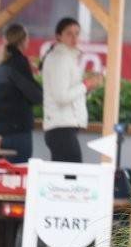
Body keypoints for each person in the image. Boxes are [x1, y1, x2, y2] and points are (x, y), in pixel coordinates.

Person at [41, 17, 101, 163]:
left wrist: (87, 87)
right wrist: (86, 84)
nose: (74, 38)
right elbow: (61, 97)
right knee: (71, 173)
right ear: (58, 36)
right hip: (61, 127)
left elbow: (68, 94)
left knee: (66, 174)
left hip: (62, 126)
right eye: (69, 33)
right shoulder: (60, 59)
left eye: (77, 33)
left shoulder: (65, 58)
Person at [0, 24, 43, 161]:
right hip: (18, 133)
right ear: (24, 40)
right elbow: (36, 96)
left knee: (0, 172)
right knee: (18, 171)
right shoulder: (18, 62)